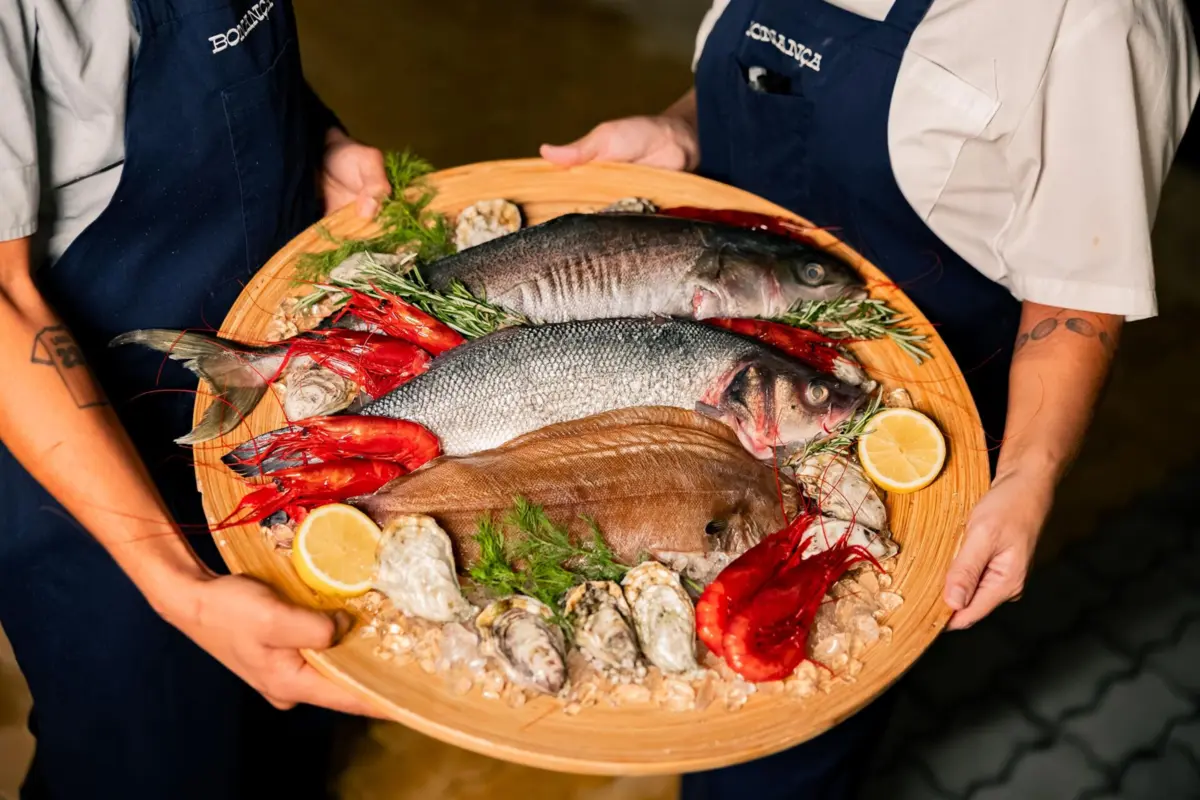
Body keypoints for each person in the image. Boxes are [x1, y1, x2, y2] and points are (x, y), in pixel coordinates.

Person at [541, 0, 1198, 796]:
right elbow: (766, 95)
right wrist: (682, 130)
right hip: (689, 369)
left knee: (774, 746)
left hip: (879, 422)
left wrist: (1029, 475)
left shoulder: (1104, 18)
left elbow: (1076, 294)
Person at [0, 0, 393, 797]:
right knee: (156, 761)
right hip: (83, 458)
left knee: (295, 719)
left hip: (269, 393)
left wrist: (314, 138)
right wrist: (179, 585)